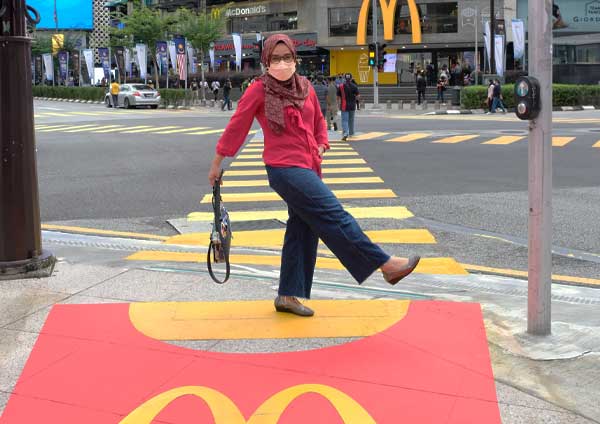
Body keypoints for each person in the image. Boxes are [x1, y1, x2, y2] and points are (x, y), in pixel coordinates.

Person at [207, 34, 420, 317]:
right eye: (275, 59)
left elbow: (318, 119)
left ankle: (287, 295)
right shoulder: (259, 90)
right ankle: (385, 264)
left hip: (308, 166)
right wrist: (217, 162)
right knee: (334, 214)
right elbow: (238, 126)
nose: (282, 63)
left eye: (287, 58)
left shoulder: (304, 86)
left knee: (302, 230)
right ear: (265, 61)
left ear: (295, 58)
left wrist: (321, 143)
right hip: (283, 169)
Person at [337, 73, 359, 141]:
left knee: (344, 120)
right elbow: (358, 97)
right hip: (352, 105)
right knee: (351, 120)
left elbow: (338, 97)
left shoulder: (341, 86)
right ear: (351, 78)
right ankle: (351, 133)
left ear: (344, 78)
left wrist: (338, 104)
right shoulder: (354, 86)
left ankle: (345, 133)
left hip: (344, 105)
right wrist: (354, 98)